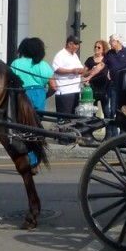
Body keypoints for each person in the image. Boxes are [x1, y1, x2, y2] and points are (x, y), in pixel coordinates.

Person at [9, 37, 56, 168]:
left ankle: (26, 157)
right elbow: (54, 87)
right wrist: (45, 96)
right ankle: (35, 160)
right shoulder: (44, 65)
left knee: (23, 128)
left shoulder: (17, 63)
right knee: (36, 127)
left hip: (23, 95)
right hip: (39, 95)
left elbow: (9, 83)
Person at [104, 33, 126, 137]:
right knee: (113, 110)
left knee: (124, 110)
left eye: (111, 41)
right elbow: (101, 65)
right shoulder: (109, 53)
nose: (109, 43)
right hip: (114, 86)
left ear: (117, 42)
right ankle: (113, 135)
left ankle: (124, 133)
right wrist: (89, 75)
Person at [51, 35, 85, 120]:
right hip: (64, 92)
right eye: (75, 44)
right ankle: (63, 133)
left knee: (73, 118)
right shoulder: (60, 55)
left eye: (78, 44)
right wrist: (72, 71)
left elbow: (80, 68)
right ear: (69, 44)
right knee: (64, 118)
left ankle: (71, 133)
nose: (77, 46)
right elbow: (56, 69)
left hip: (75, 90)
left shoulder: (74, 55)